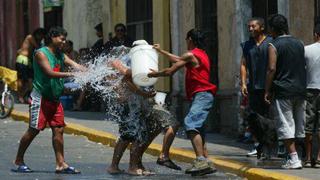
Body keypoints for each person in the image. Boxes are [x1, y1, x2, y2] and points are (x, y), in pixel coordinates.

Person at [13, 26, 86, 174]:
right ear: (52, 38)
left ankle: (61, 164)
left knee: (58, 129)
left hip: (54, 99)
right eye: (62, 38)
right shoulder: (41, 53)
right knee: (33, 130)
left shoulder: (61, 54)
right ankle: (18, 160)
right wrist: (71, 75)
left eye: (65, 39)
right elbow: (49, 73)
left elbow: (75, 65)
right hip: (41, 98)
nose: (64, 41)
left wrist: (88, 71)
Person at [148, 29, 217, 176]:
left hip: (202, 95)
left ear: (190, 39)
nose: (186, 42)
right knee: (199, 129)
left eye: (186, 39)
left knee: (191, 124)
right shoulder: (201, 54)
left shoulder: (191, 54)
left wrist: (153, 74)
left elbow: (170, 72)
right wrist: (162, 52)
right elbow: (179, 59)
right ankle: (206, 161)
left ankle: (200, 160)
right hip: (204, 95)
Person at [106, 46, 158, 176]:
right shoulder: (124, 61)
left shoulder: (131, 60)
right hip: (128, 106)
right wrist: (143, 93)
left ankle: (115, 166)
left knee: (127, 135)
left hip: (129, 104)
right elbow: (126, 77)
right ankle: (132, 167)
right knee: (134, 134)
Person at [264, 14, 306, 169]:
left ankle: (294, 159)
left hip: (283, 90)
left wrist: (267, 90)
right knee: (299, 124)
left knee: (286, 124)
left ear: (274, 29)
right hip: (300, 89)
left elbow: (271, 68)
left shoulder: (273, 45)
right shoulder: (299, 43)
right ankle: (298, 157)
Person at [240, 17, 273, 158]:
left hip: (269, 87)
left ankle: (272, 146)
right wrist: (243, 82)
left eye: (253, 26)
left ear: (262, 27)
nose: (250, 29)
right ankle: (257, 145)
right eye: (249, 27)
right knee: (254, 118)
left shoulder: (271, 42)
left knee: (269, 117)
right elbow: (243, 64)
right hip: (253, 86)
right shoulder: (248, 45)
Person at [304, 22, 320, 168]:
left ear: (315, 34)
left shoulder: (306, 50)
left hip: (310, 90)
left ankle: (308, 158)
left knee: (308, 125)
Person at [16, 28, 47, 103]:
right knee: (22, 79)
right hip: (22, 60)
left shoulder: (36, 41)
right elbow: (38, 47)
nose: (41, 38)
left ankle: (24, 95)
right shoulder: (30, 37)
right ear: (37, 34)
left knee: (30, 80)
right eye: (41, 36)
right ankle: (20, 96)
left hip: (28, 61)